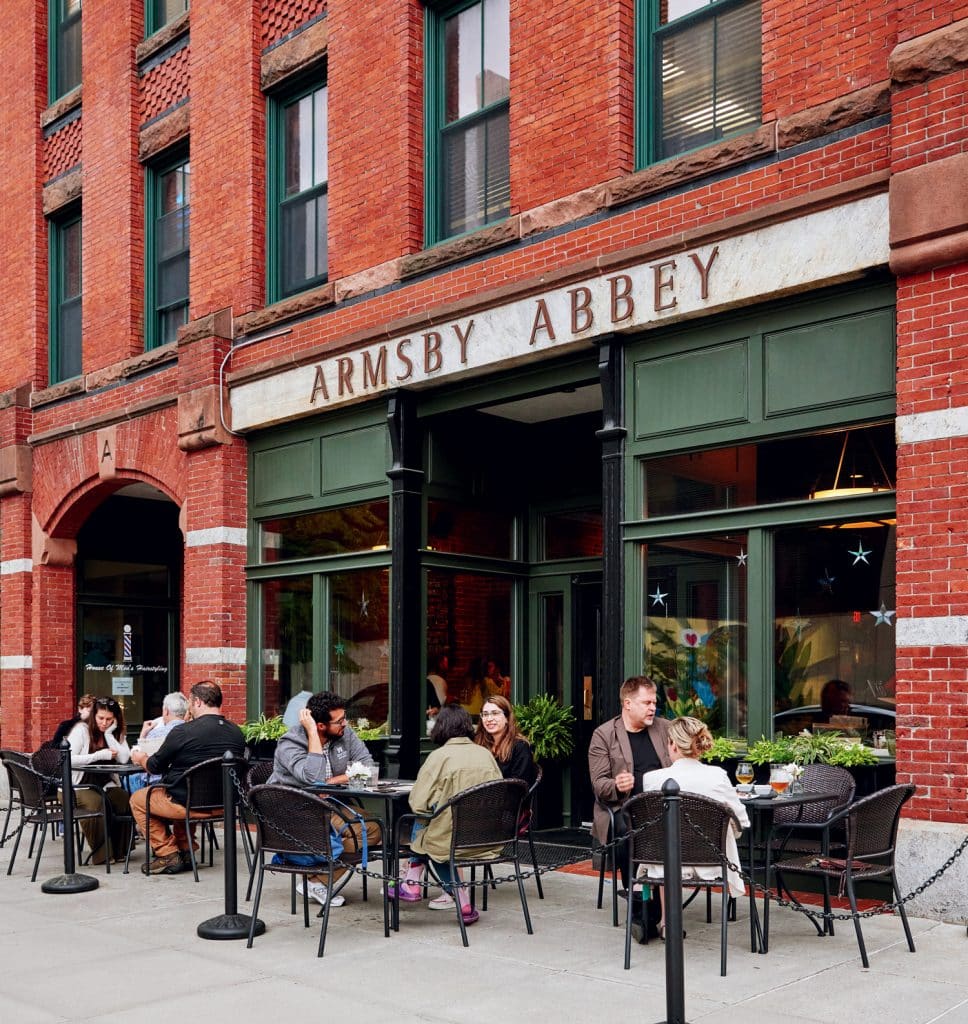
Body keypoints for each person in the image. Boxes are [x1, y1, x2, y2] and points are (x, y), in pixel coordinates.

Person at [640, 716, 750, 939]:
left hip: (662, 863)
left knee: (667, 847)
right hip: (710, 863)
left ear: (672, 744)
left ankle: (666, 923)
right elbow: (742, 821)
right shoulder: (717, 776)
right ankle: (666, 922)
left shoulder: (651, 778)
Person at [268, 690, 380, 907]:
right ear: (320, 725)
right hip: (298, 811)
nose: (345, 724)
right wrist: (311, 735)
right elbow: (313, 777)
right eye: (339, 721)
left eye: (344, 717)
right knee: (343, 838)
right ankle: (318, 867)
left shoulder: (344, 734)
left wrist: (333, 782)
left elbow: (367, 764)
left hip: (330, 805)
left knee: (372, 829)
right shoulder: (289, 744)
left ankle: (316, 880)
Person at [397, 704, 501, 925]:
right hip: (489, 837)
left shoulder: (438, 757)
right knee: (433, 830)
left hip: (452, 839)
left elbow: (418, 803)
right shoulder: (486, 755)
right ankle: (417, 882)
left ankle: (415, 881)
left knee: (425, 825)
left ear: (440, 727)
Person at [129, 680, 246, 875]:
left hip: (187, 804)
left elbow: (154, 766)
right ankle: (186, 850)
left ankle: (167, 852)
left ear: (198, 702)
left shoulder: (183, 731)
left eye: (190, 702)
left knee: (139, 799)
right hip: (224, 804)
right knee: (179, 790)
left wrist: (140, 757)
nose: (189, 707)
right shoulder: (236, 732)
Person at [588, 675, 673, 936]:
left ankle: (661, 908)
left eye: (654, 702)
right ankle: (640, 904)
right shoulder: (604, 734)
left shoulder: (665, 728)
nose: (652, 708)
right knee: (627, 832)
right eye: (646, 702)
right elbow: (598, 784)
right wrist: (617, 785)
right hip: (622, 809)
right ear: (627, 703)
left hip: (664, 807)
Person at [64, 696, 132, 864]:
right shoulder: (81, 730)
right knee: (97, 803)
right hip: (77, 785)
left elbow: (124, 759)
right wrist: (97, 756)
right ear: (94, 715)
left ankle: (119, 851)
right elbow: (68, 758)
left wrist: (109, 735)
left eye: (109, 719)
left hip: (104, 783)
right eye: (100, 718)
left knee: (123, 798)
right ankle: (102, 855)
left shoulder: (116, 732)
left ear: (115, 718)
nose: (104, 722)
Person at [127, 691, 190, 793]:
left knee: (122, 781)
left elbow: (136, 760)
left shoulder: (156, 733)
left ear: (166, 711)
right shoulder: (192, 732)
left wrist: (143, 734)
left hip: (153, 784)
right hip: (182, 784)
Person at [473, 694, 536, 787]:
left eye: (495, 713)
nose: (489, 719)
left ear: (507, 718)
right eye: (485, 714)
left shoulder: (520, 747)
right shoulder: (479, 743)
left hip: (509, 799)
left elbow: (519, 786)